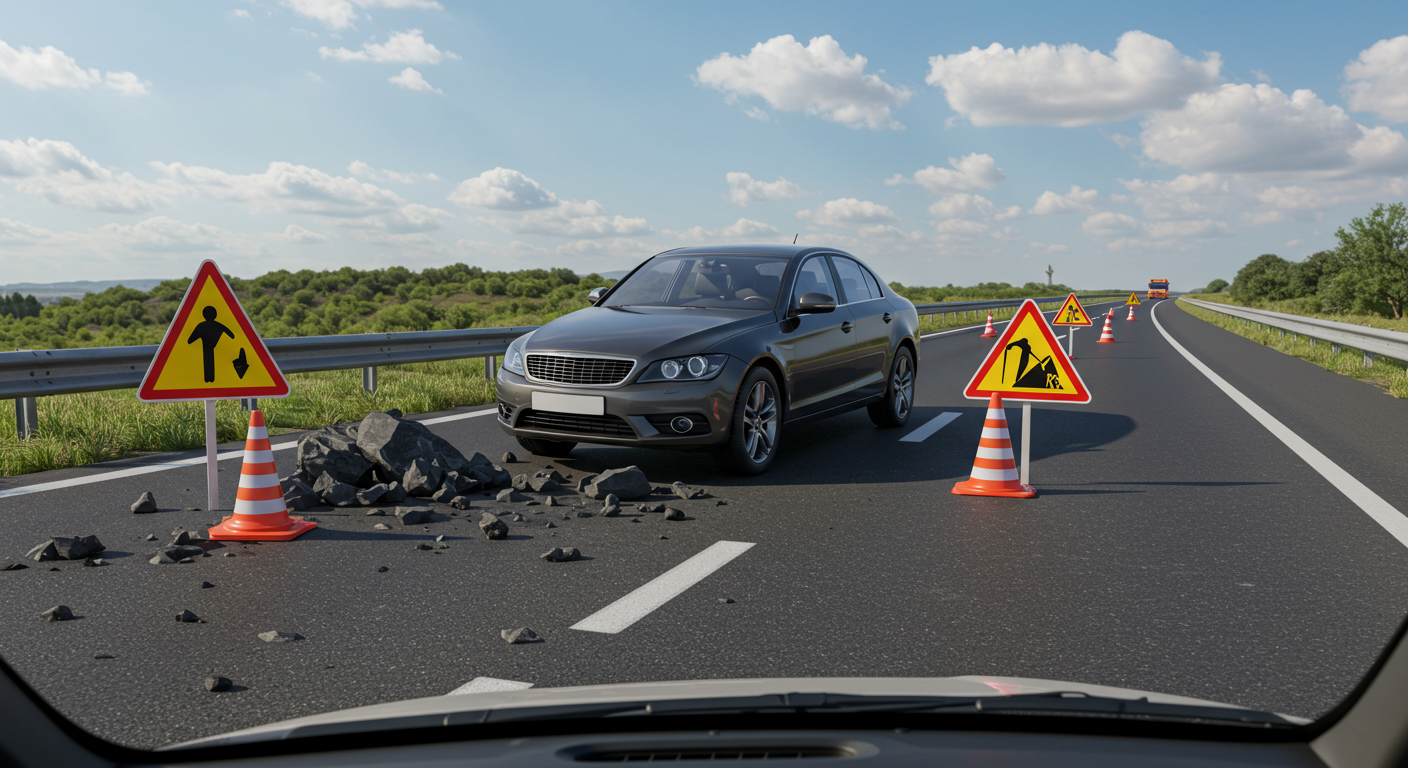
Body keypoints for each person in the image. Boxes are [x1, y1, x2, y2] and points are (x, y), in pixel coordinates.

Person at [187, 306, 234, 383]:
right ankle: (210, 379)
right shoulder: (218, 325)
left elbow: (190, 340)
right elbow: (232, 335)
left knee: (208, 359)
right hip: (212, 349)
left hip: (206, 348)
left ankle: (208, 379)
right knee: (209, 359)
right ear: (215, 315)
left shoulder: (201, 326)